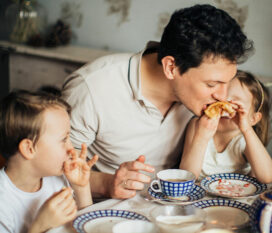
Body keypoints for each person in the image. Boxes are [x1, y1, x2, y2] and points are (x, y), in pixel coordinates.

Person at [62, 4, 253, 199]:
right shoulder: (91, 88)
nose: (222, 96)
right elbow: (55, 170)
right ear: (171, 67)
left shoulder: (199, 99)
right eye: (212, 84)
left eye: (227, 83)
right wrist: (107, 183)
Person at [0, 90, 98, 233]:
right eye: (64, 139)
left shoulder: (57, 178)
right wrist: (40, 226)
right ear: (29, 148)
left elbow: (87, 226)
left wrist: (81, 188)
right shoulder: (3, 203)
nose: (72, 149)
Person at [180, 70, 272, 183]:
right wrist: (202, 137)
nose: (225, 106)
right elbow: (186, 177)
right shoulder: (198, 126)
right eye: (222, 99)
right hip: (202, 195)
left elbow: (267, 177)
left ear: (253, 119)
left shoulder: (245, 139)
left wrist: (246, 129)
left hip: (237, 194)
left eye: (236, 104)